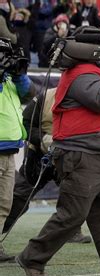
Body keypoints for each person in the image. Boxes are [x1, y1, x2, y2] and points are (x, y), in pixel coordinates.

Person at [16, 26, 100, 276]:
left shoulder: (92, 72)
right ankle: (32, 258)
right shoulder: (79, 73)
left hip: (99, 155)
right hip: (82, 155)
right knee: (72, 214)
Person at [2, 88, 100, 244]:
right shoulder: (46, 97)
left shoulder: (92, 97)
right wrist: (43, 139)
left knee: (84, 196)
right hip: (41, 156)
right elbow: (26, 123)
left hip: (71, 156)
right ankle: (1, 232)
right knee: (19, 198)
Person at [0, 37, 35, 262]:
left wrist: (19, 72)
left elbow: (29, 94)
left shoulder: (11, 79)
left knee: (4, 203)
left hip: (10, 150)